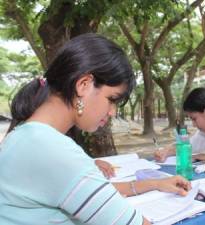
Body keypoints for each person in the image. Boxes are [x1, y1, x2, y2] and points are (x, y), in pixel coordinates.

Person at [0, 33, 190, 225]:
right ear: (84, 85)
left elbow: (89, 194)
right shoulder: (52, 149)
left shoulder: (26, 135)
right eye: (112, 99)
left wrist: (155, 184)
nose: (113, 112)